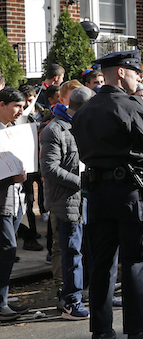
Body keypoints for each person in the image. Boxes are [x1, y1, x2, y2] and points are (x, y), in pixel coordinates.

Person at [72, 50, 143, 339]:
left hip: (98, 195)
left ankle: (101, 330)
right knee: (136, 262)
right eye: (134, 71)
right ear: (120, 73)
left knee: (102, 264)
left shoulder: (85, 109)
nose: (139, 77)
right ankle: (138, 329)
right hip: (131, 194)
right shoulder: (131, 106)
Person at [40, 86, 95, 320]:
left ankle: (95, 293)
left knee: (89, 251)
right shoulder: (54, 129)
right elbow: (50, 169)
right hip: (66, 202)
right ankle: (71, 302)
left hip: (85, 200)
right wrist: (82, 182)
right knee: (71, 252)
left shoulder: (82, 125)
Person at [0, 87, 28, 321]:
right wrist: (12, 177)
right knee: (6, 250)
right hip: (2, 203)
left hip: (15, 201)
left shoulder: (11, 131)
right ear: (2, 105)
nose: (21, 111)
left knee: (8, 251)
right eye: (16, 106)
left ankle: (3, 301)